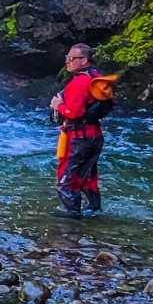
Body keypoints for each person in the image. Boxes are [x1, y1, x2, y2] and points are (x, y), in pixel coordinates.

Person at [50, 43, 114, 216]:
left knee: (66, 182)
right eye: (67, 58)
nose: (67, 62)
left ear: (84, 60)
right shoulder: (97, 78)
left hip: (78, 138)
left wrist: (59, 105)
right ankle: (94, 212)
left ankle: (70, 224)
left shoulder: (79, 83)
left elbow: (74, 112)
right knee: (87, 178)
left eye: (71, 58)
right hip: (94, 136)